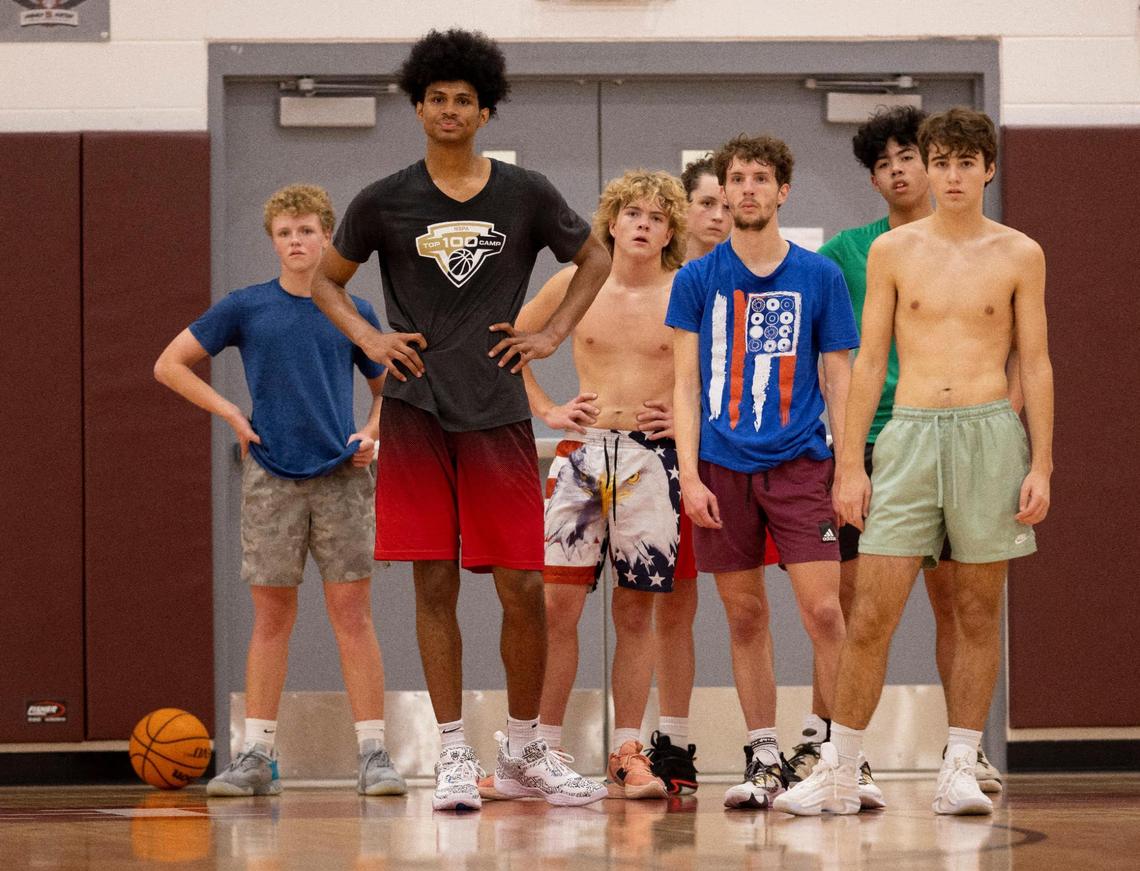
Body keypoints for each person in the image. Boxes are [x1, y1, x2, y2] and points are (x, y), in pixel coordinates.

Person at [309, 29, 611, 811]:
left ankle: (522, 748)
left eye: (464, 101)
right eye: (436, 99)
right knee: (433, 581)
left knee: (524, 585)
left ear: (486, 111)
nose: (450, 110)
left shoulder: (527, 193)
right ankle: (450, 754)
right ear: (418, 108)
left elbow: (597, 259)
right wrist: (370, 337)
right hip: (413, 412)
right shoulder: (383, 198)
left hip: (499, 411)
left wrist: (551, 334)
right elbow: (326, 282)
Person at [775, 107, 1052, 817]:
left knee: (976, 608)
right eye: (942, 161)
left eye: (967, 162)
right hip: (907, 433)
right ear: (926, 169)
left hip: (990, 432)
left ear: (988, 168)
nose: (952, 175)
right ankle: (840, 767)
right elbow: (866, 362)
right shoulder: (892, 253)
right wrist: (848, 465)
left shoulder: (1021, 251)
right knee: (871, 609)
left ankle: (960, 759)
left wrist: (1041, 463)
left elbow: (1038, 362)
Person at [154, 184, 404, 797]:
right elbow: (168, 364)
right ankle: (257, 754)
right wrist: (234, 416)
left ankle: (373, 753)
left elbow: (388, 391)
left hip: (343, 478)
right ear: (274, 242)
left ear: (327, 238)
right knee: (272, 620)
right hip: (271, 480)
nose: (297, 242)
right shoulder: (246, 307)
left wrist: (374, 433)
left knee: (353, 616)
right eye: (285, 233)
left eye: (307, 231)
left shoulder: (353, 311)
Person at [667, 135, 859, 809]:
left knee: (826, 610)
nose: (745, 189)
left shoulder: (820, 276)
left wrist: (849, 467)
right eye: (735, 179)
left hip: (803, 463)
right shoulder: (696, 279)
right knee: (744, 614)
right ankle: (764, 754)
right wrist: (688, 475)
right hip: (721, 468)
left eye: (759, 179)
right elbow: (685, 384)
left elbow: (839, 377)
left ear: (783, 192)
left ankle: (842, 755)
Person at [508, 169, 692, 801]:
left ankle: (628, 749)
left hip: (652, 460)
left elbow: (720, 372)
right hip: (582, 457)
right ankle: (544, 749)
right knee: (556, 608)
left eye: (657, 217)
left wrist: (685, 412)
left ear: (671, 231)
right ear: (611, 221)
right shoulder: (573, 282)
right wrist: (547, 408)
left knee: (636, 610)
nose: (643, 224)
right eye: (633, 213)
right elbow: (507, 342)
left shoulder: (687, 288)